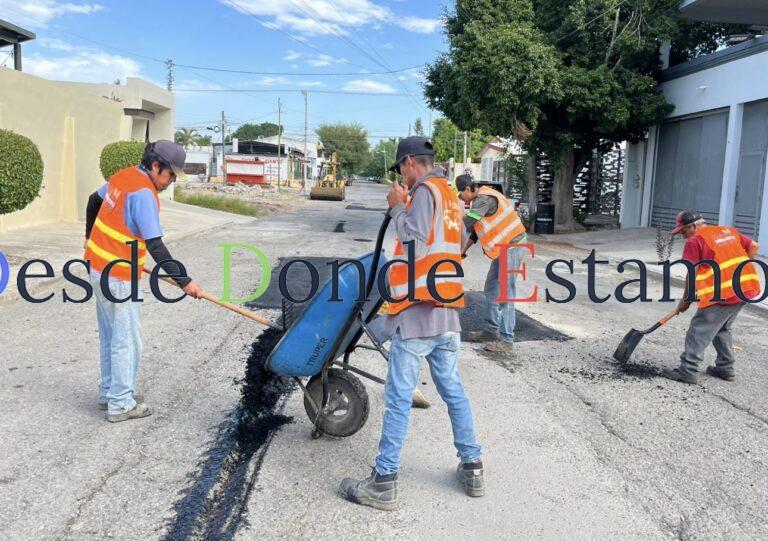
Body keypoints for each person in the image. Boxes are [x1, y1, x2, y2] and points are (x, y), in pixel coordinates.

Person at [339, 137, 484, 510]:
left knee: (399, 398)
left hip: (419, 312)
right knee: (453, 392)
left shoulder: (422, 193)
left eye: (401, 169)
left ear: (408, 163)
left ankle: (383, 483)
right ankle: (473, 468)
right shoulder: (450, 194)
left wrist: (397, 207)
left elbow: (414, 239)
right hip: (447, 313)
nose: (401, 176)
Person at [84, 140, 203, 422]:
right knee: (127, 340)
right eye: (170, 174)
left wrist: (88, 239)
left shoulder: (124, 175)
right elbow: (156, 246)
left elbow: (93, 200)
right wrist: (185, 282)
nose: (172, 180)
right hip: (119, 277)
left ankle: (109, 393)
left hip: (97, 266)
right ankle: (121, 403)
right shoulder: (144, 193)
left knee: (111, 335)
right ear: (155, 166)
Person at [663, 210, 762, 384]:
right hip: (747, 287)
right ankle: (725, 368)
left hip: (724, 293)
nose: (683, 236)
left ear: (693, 226)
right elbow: (754, 246)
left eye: (684, 231)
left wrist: (685, 299)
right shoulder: (727, 231)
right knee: (722, 327)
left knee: (699, 328)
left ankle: (688, 370)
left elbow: (691, 272)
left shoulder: (696, 241)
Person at [456, 175, 527, 353]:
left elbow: (468, 222)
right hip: (502, 249)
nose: (460, 198)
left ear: (467, 189)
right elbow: (474, 232)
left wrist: (449, 229)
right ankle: (491, 330)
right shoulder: (479, 201)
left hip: (512, 247)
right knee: (491, 288)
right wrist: (462, 251)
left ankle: (506, 340)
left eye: (460, 194)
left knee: (506, 292)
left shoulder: (484, 198)